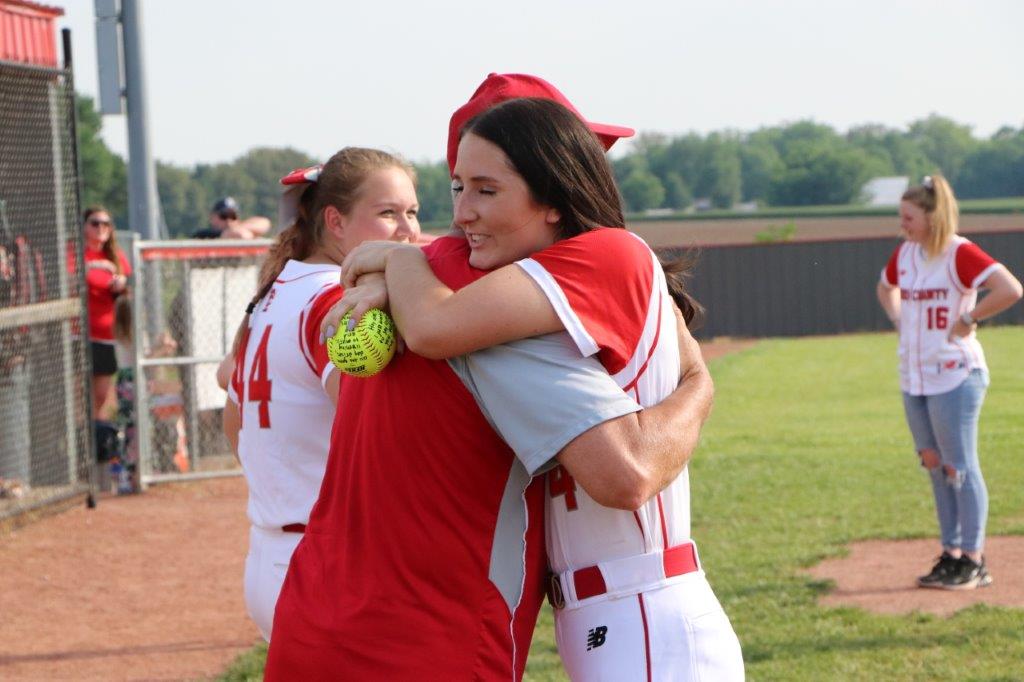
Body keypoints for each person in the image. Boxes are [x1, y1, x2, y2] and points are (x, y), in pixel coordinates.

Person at [266, 82, 716, 679]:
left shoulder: (431, 283)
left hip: (313, 613)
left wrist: (401, 263)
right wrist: (699, 385)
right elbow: (626, 472)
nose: (592, 176)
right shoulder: (485, 297)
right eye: (464, 187)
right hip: (431, 637)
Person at [221, 148, 421, 641]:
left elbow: (232, 405)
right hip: (326, 565)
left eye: (412, 212)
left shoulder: (275, 291)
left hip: (273, 552)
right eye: (388, 213)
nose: (407, 230)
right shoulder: (335, 297)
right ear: (335, 221)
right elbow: (376, 426)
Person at [876, 174, 1022, 591]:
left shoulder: (958, 252)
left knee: (960, 466)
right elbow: (885, 287)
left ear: (932, 217)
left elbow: (1010, 289)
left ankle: (974, 560)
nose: (902, 224)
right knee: (934, 464)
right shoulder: (907, 254)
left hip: (956, 375)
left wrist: (970, 317)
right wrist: (898, 318)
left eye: (909, 217)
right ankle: (951, 553)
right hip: (915, 376)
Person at [82, 206, 132, 465]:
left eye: (106, 223)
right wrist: (93, 265)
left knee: (100, 397)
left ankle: (95, 452)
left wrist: (121, 283)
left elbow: (128, 284)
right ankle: (78, 450)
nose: (101, 228)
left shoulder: (115, 255)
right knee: (80, 396)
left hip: (106, 334)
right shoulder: (76, 253)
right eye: (95, 223)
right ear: (84, 226)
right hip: (79, 335)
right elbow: (69, 278)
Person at [191, 196, 272, 240]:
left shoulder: (242, 229)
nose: (228, 220)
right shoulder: (205, 235)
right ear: (213, 217)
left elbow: (265, 223)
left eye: (232, 215)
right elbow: (242, 235)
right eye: (224, 216)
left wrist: (238, 228)